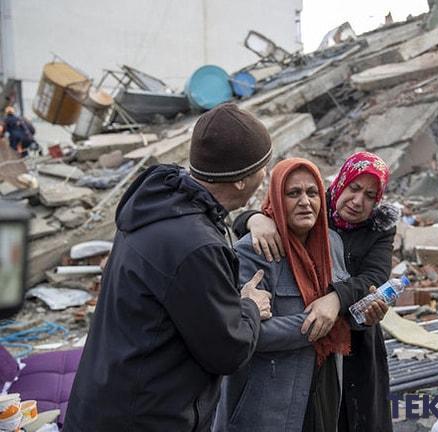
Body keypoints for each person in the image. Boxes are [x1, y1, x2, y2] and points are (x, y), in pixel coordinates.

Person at [64, 104, 274, 432]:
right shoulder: (196, 246)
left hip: (105, 403)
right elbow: (227, 350)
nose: (265, 176)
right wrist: (249, 305)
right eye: (263, 167)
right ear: (240, 180)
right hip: (146, 419)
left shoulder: (158, 205)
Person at [233, 151, 399, 431]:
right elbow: (246, 329)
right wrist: (254, 219)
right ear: (339, 183)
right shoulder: (308, 211)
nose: (358, 201)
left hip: (349, 345)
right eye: (354, 188)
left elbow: (375, 276)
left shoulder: (371, 229)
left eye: (370, 196)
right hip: (287, 371)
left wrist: (340, 305)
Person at [214, 158, 353, 432]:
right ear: (277, 197)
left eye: (312, 193)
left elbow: (345, 308)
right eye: (293, 193)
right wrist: (318, 323)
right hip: (270, 396)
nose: (305, 201)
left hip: (323, 383)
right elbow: (247, 330)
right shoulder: (254, 250)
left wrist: (362, 312)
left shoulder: (332, 244)